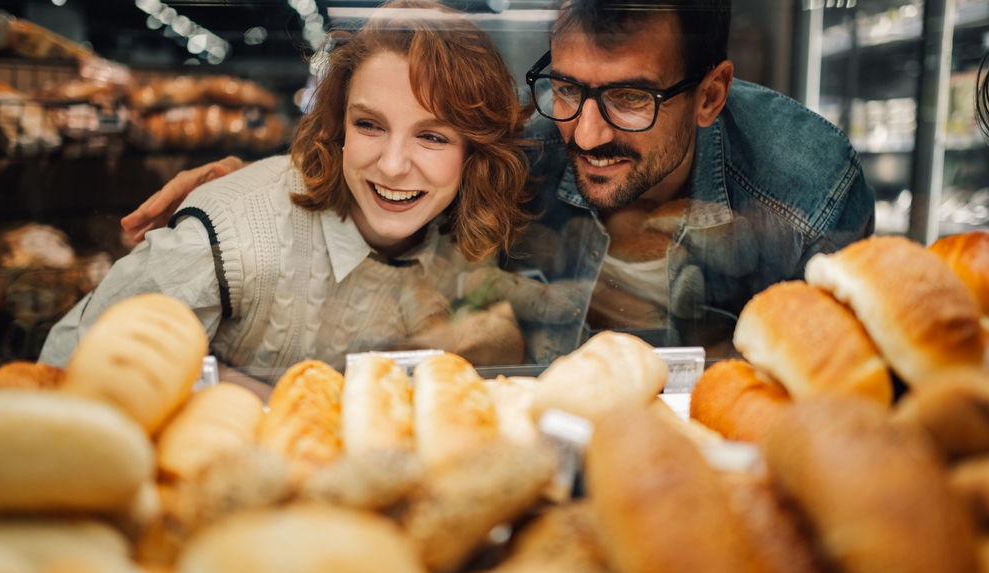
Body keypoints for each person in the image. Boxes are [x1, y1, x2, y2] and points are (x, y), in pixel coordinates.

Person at [119, 0, 876, 360]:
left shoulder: (806, 192)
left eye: (629, 99)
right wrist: (247, 185)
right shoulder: (536, 138)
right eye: (570, 87)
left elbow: (838, 381)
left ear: (710, 94)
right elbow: (406, 151)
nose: (585, 132)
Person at [40, 0, 536, 384]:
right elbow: (63, 371)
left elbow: (503, 337)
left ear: (474, 153)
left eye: (431, 136)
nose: (390, 165)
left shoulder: (459, 229)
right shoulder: (230, 243)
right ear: (338, 127)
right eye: (369, 125)